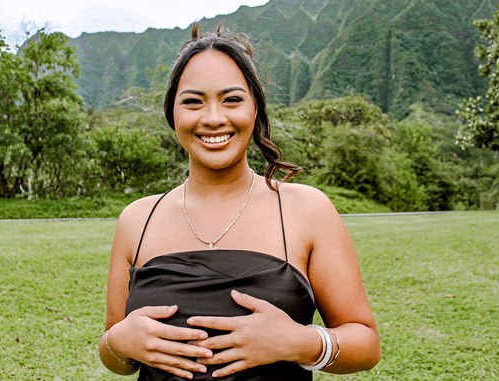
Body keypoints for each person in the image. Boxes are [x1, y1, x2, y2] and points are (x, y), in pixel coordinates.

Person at [99, 24, 381, 380]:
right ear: (173, 113)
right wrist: (120, 343)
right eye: (193, 101)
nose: (214, 118)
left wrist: (301, 342)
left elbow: (366, 345)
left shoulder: (307, 210)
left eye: (232, 99)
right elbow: (113, 353)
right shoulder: (136, 220)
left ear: (256, 109)